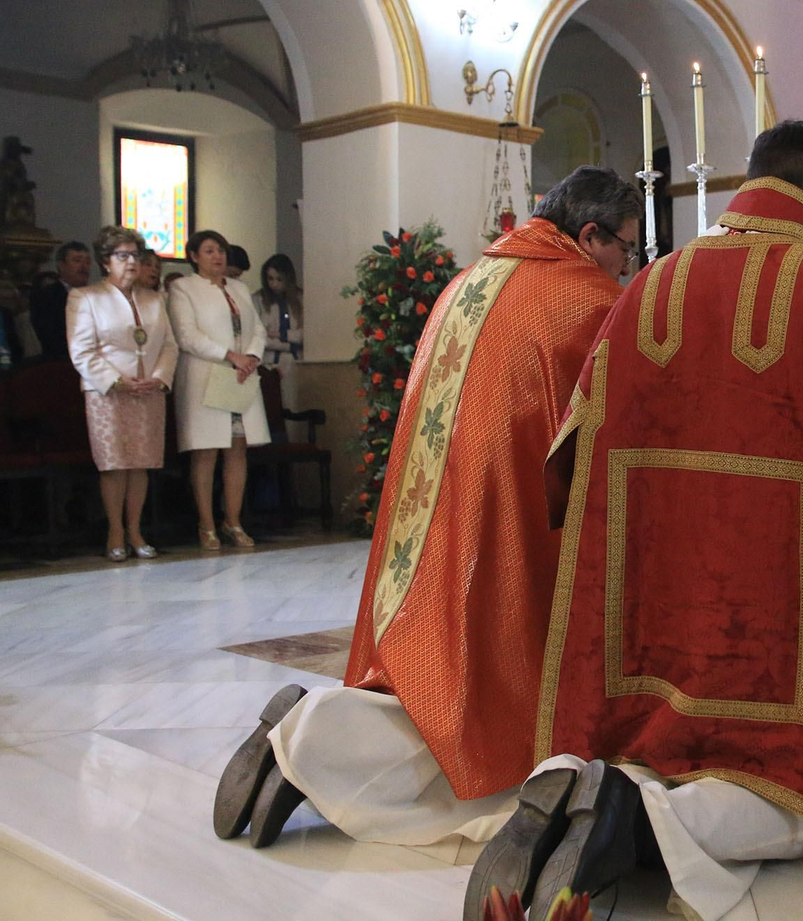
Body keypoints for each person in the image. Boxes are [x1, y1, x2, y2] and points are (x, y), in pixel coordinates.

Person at [466, 122, 803, 921]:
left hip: (647, 632)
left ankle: (590, 784)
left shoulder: (649, 283)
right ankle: (644, 823)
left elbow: (570, 457)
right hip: (778, 636)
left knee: (658, 750)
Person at [212, 166, 642, 851]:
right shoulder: (582, 295)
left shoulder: (470, 282)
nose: (628, 266)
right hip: (506, 518)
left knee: (423, 662)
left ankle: (308, 736)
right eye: (627, 248)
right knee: (476, 692)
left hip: (429, 517)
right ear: (590, 237)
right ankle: (310, 746)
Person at [67, 227, 177, 561]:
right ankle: (115, 530)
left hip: (148, 391)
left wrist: (158, 378)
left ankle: (136, 530)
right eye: (122, 256)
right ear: (106, 261)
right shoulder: (85, 297)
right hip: (108, 393)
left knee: (140, 464)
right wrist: (116, 380)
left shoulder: (154, 298)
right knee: (115, 464)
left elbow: (170, 345)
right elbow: (81, 350)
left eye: (135, 256)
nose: (131, 262)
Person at [167, 230, 267, 550]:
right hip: (207, 374)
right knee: (206, 450)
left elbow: (258, 329)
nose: (217, 256)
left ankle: (233, 521)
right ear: (194, 256)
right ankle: (206, 524)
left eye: (221, 250)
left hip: (240, 375)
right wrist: (230, 356)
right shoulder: (184, 288)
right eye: (209, 250)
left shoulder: (239, 287)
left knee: (237, 448)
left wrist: (251, 356)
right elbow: (187, 335)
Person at [252, 254, 303, 412]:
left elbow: (304, 335)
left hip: (295, 363)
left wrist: (282, 334)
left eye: (279, 279)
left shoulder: (301, 298)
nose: (274, 284)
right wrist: (289, 345)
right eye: (270, 278)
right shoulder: (258, 299)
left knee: (293, 407)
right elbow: (259, 336)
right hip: (266, 363)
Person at [31, 240, 93, 359]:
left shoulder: (97, 295)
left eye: (87, 261)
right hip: (61, 360)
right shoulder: (47, 296)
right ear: (61, 265)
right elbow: (49, 335)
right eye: (77, 260)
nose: (83, 266)